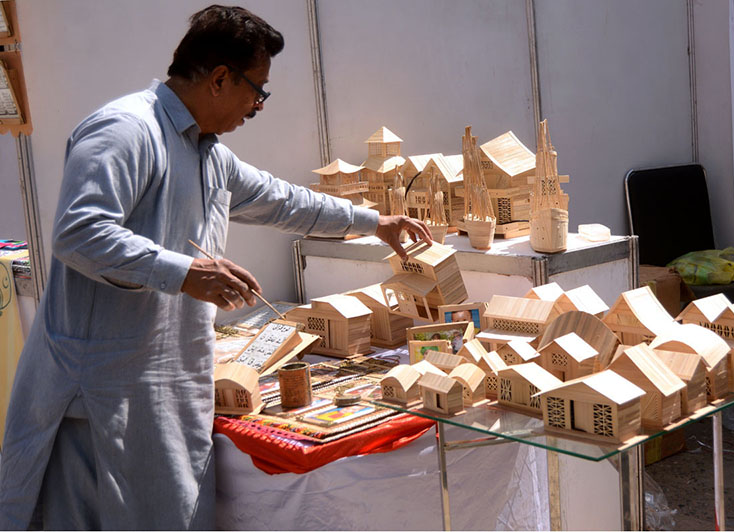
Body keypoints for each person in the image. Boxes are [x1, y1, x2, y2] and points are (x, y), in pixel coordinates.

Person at [0, 5, 431, 530]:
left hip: (164, 387)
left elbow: (283, 200)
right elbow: (80, 234)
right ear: (221, 78)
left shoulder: (209, 154)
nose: (259, 105)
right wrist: (185, 272)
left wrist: (372, 221)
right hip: (97, 396)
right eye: (259, 89)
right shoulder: (126, 130)